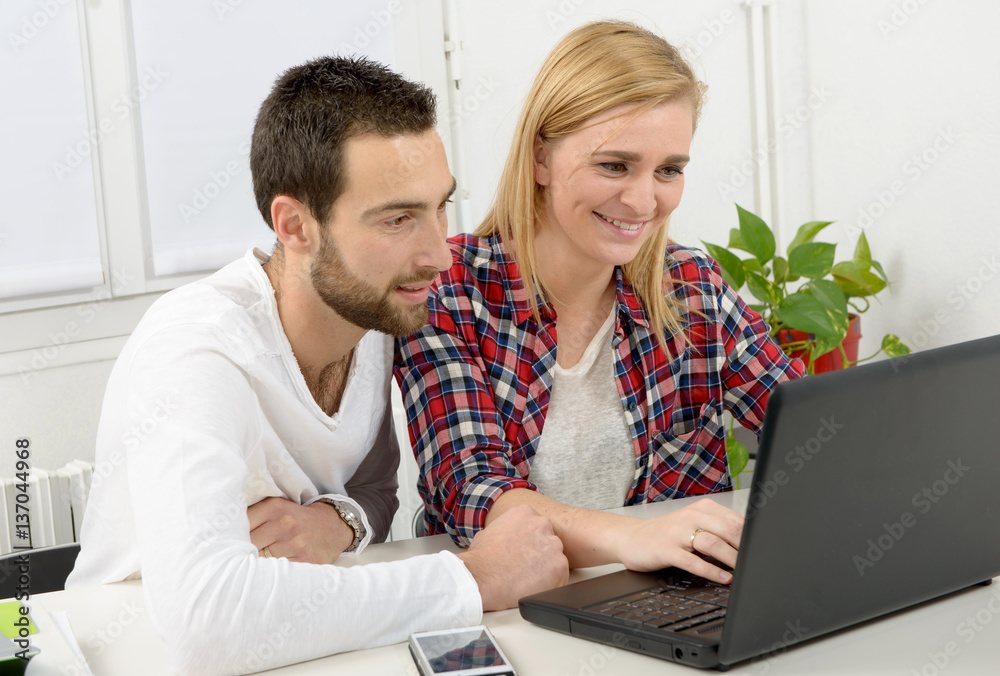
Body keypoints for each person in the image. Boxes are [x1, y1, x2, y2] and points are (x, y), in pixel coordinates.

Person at [67, 56, 568, 676]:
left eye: (441, 207)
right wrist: (470, 578)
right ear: (295, 225)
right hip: (135, 655)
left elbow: (376, 488)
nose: (440, 252)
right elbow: (208, 622)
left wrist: (339, 521)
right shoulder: (194, 350)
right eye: (397, 218)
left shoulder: (377, 314)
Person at [395, 21, 806, 586]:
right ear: (541, 159)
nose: (643, 200)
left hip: (670, 608)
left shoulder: (692, 287)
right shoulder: (450, 291)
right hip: (517, 612)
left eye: (668, 170)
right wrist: (636, 537)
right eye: (614, 165)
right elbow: (475, 491)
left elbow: (812, 428)